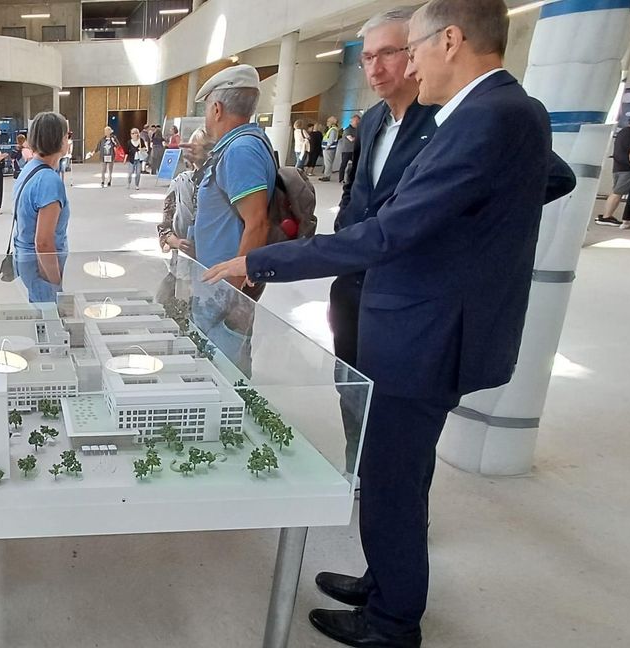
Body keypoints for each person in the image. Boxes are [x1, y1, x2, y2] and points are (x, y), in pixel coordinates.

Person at [203, 2, 576, 644]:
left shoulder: (492, 116)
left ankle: (393, 622)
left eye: (411, 47)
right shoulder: (496, 113)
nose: (402, 62)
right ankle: (384, 583)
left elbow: (391, 232)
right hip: (403, 318)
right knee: (386, 469)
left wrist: (259, 261)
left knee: (395, 480)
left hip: (425, 332)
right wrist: (468, 228)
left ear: (449, 40)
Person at [329, 7, 441, 481]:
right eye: (367, 57)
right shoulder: (373, 119)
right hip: (356, 285)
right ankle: (360, 473)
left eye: (389, 54)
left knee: (400, 411)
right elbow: (360, 195)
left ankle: (394, 492)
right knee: (351, 385)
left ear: (414, 54)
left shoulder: (450, 118)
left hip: (409, 290)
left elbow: (549, 176)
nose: (375, 68)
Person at [191, 65, 277, 296]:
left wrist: (234, 294)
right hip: (216, 281)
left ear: (217, 109)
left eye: (207, 109)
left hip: (225, 289)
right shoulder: (238, 146)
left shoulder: (241, 150)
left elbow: (258, 224)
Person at [12, 112, 73, 303]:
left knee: (39, 313)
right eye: (66, 135)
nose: (67, 140)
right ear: (59, 139)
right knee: (48, 320)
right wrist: (55, 283)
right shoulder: (49, 181)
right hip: (41, 267)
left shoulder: (30, 168)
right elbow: (44, 242)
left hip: (26, 259)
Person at [158, 127, 210, 260]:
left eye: (201, 147)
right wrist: (177, 243)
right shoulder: (181, 182)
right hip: (182, 261)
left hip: (212, 257)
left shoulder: (218, 183)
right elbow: (164, 227)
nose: (193, 150)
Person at [596, 113, 630, 226]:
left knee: (615, 191)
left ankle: (606, 215)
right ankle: (606, 217)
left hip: (618, 166)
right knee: (618, 193)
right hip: (627, 168)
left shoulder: (623, 131)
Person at [333, 113, 362, 182]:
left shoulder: (359, 129)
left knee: (356, 164)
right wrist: (359, 137)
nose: (358, 122)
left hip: (355, 150)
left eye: (358, 120)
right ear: (352, 121)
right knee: (344, 164)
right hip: (347, 150)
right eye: (356, 120)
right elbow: (351, 139)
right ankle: (341, 179)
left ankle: (353, 178)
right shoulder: (347, 130)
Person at [319, 116, 341, 181]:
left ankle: (327, 176)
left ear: (332, 122)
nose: (327, 122)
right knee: (327, 163)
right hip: (329, 149)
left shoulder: (333, 130)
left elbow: (331, 140)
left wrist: (326, 147)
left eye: (328, 121)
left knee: (328, 163)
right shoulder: (331, 129)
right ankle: (326, 175)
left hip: (329, 149)